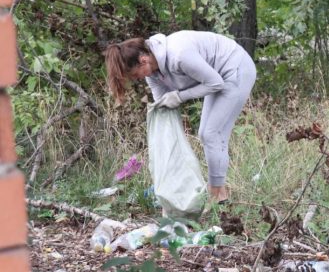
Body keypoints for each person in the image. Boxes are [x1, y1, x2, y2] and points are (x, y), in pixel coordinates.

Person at [104, 30, 256, 204]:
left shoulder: (179, 56)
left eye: (135, 75)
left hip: (235, 68)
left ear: (143, 60)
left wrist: (179, 97)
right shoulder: (152, 74)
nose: (137, 79)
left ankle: (218, 196)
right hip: (216, 77)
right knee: (204, 134)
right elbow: (163, 106)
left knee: (211, 134)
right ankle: (217, 191)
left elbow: (215, 83)